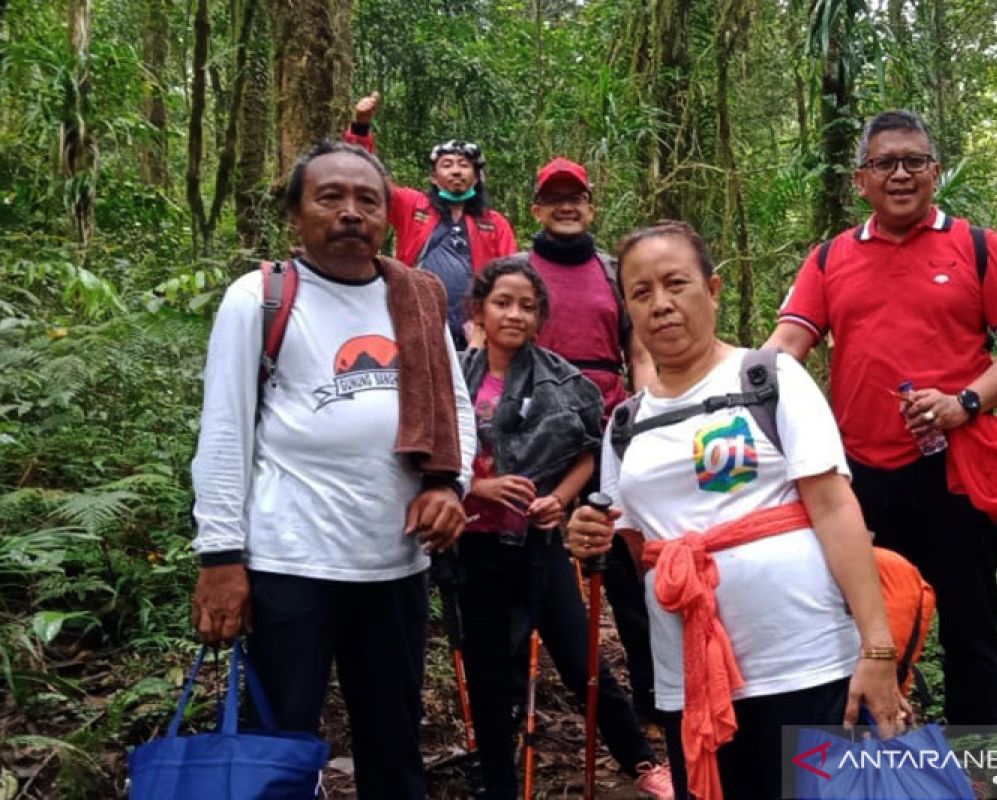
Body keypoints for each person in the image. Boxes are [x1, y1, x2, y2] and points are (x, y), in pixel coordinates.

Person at [566, 222, 909, 800]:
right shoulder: (625, 424)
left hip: (804, 664)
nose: (662, 304)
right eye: (642, 292)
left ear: (714, 289)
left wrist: (877, 650)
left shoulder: (769, 379)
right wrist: (586, 534)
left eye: (676, 283)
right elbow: (634, 549)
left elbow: (834, 508)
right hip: (691, 682)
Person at [189, 140, 476, 799]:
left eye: (367, 200)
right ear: (297, 214)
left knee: (394, 745)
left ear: (388, 218)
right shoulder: (259, 297)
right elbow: (225, 429)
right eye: (330, 197)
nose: (351, 212)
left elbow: (455, 409)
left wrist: (446, 485)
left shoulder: (419, 298)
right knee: (279, 749)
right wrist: (220, 559)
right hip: (291, 564)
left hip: (395, 566)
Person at [767, 109, 997, 726]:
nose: (901, 174)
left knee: (971, 628)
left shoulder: (976, 246)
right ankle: (879, 758)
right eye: (884, 163)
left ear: (935, 172)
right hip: (860, 480)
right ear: (860, 179)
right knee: (865, 625)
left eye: (914, 161)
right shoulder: (830, 258)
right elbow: (786, 346)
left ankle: (973, 769)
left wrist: (963, 402)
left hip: (954, 471)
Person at [456, 257, 673, 799]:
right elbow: (426, 456)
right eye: (503, 303)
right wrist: (478, 488)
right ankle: (499, 783)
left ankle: (643, 763)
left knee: (582, 661)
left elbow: (586, 447)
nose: (515, 315)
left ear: (540, 317)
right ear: (479, 310)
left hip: (538, 544)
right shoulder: (453, 375)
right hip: (473, 549)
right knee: (487, 674)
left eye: (528, 307)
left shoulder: (561, 379)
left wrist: (559, 497)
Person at [516, 156, 658, 718]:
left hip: (609, 424)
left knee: (626, 557)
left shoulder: (610, 271)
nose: (566, 205)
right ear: (537, 209)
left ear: (591, 205)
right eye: (554, 197)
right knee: (530, 553)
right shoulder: (518, 270)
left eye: (575, 196)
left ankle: (650, 696)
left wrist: (645, 415)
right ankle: (515, 694)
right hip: (536, 429)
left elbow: (638, 351)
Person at [345, 92, 517, 348]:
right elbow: (367, 179)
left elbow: (511, 276)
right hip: (416, 322)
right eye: (447, 165)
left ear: (477, 177)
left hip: (477, 335)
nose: (456, 170)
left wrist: (485, 323)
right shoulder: (413, 206)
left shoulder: (494, 223)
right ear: (434, 178)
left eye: (464, 165)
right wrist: (361, 128)